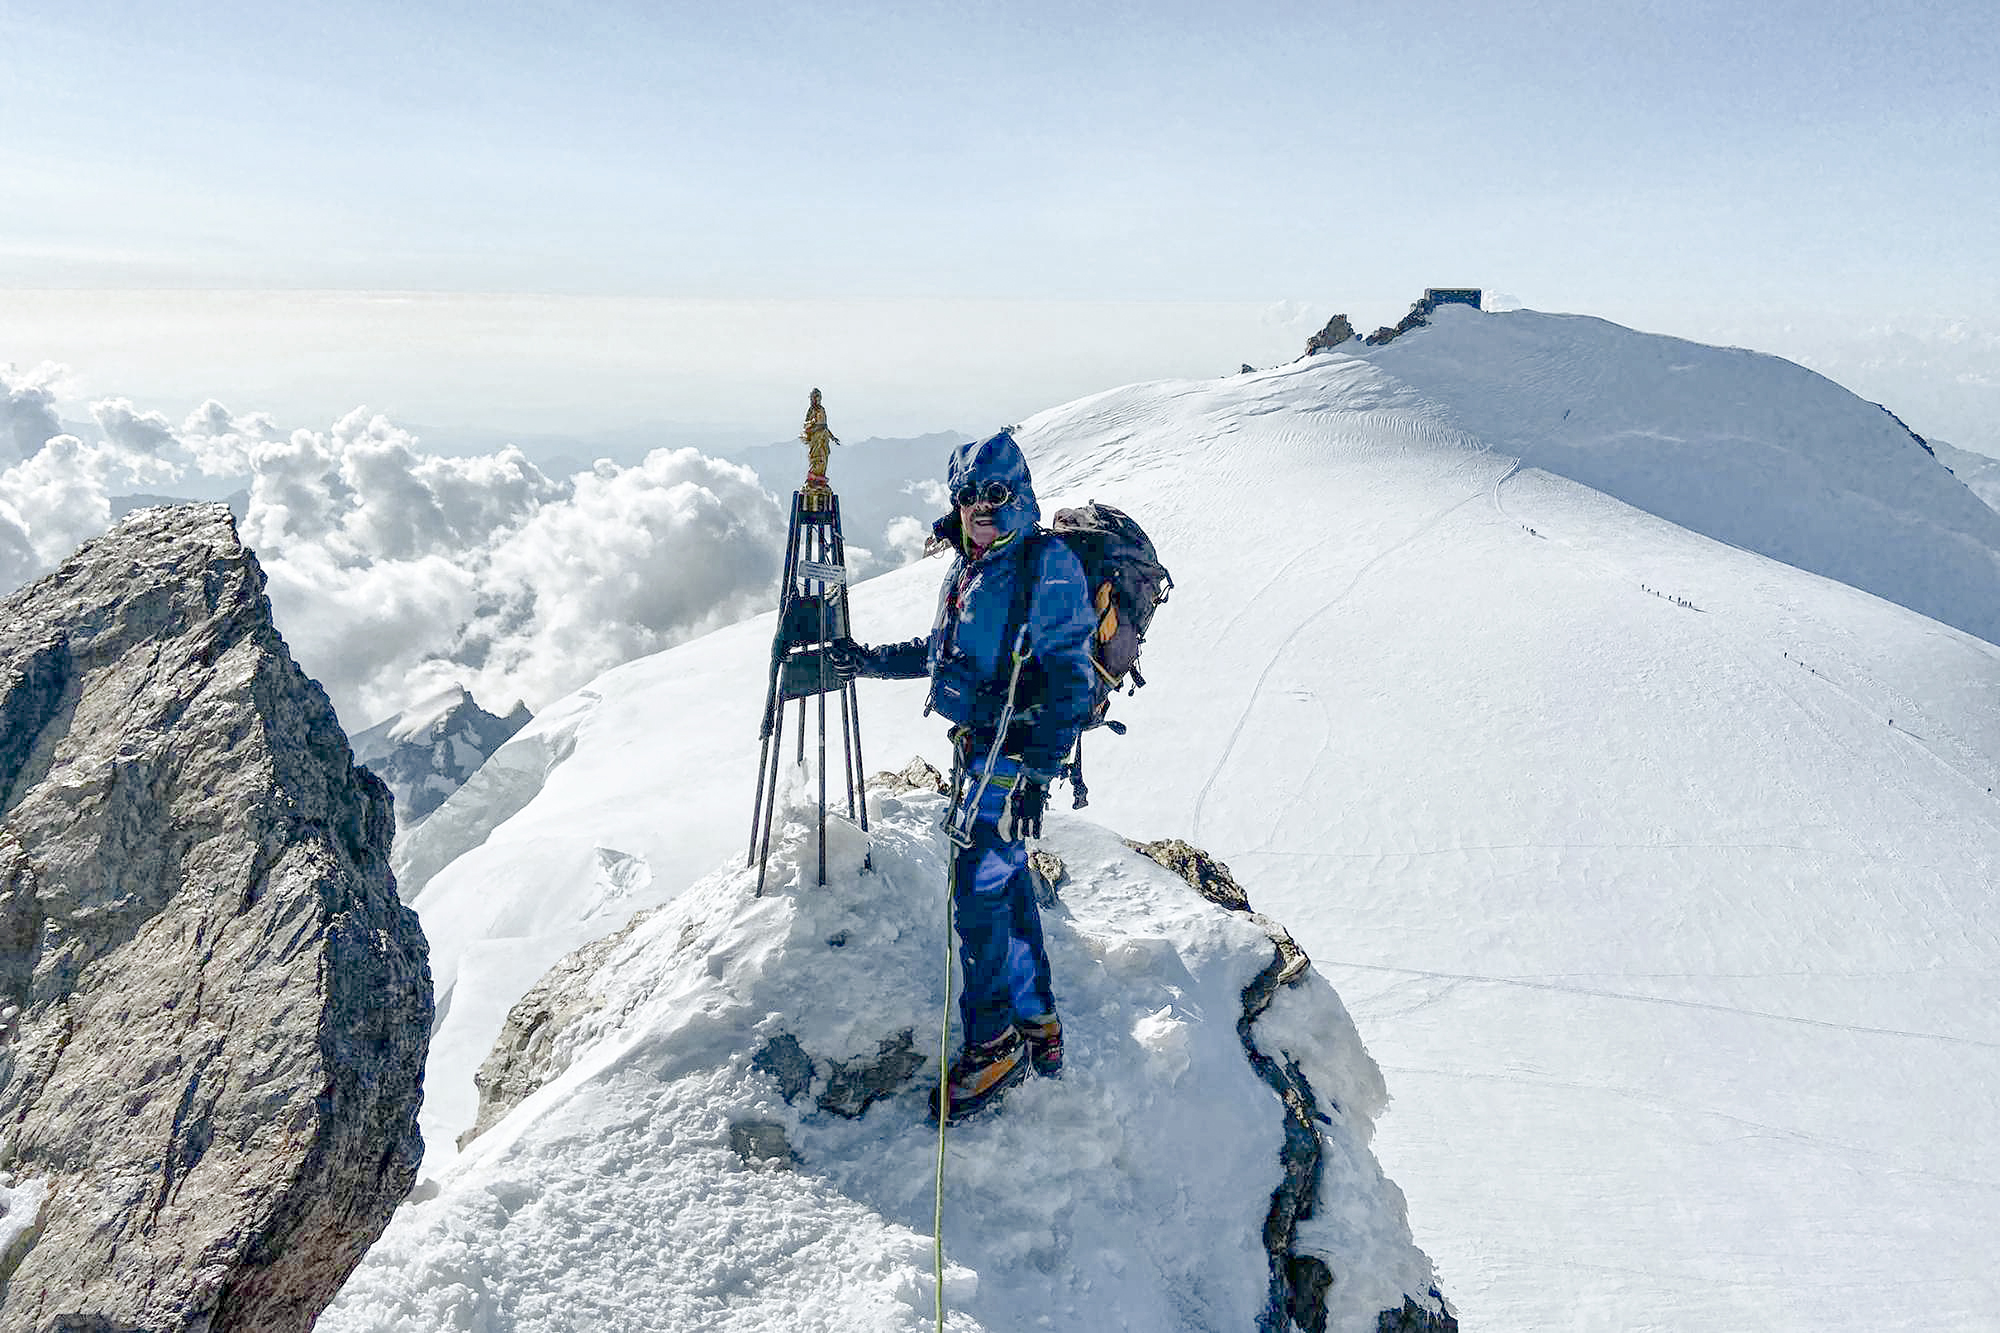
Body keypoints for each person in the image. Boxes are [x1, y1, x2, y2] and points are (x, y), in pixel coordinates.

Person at [830, 428, 1099, 1123]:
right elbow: (944, 652)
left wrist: (1039, 772)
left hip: (1010, 756)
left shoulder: (1045, 567)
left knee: (977, 895)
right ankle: (1038, 1022)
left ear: (1020, 496)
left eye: (995, 493)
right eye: (969, 494)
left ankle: (994, 1046)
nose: (981, 506)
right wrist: (867, 660)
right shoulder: (973, 565)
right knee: (1005, 883)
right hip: (981, 750)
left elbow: (1070, 677)